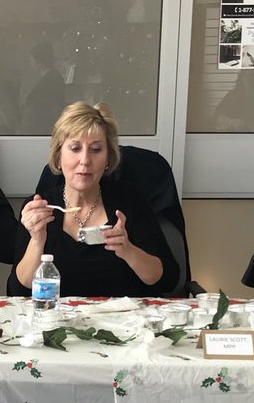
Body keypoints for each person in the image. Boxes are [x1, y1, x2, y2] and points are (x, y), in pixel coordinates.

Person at [11, 102, 178, 298]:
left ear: (108, 159)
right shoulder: (39, 207)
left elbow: (169, 280)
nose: (85, 160)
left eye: (96, 149)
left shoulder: (129, 201)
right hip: (56, 323)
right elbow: (17, 291)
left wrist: (128, 251)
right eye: (75, 148)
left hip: (123, 323)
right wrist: (37, 240)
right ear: (58, 157)